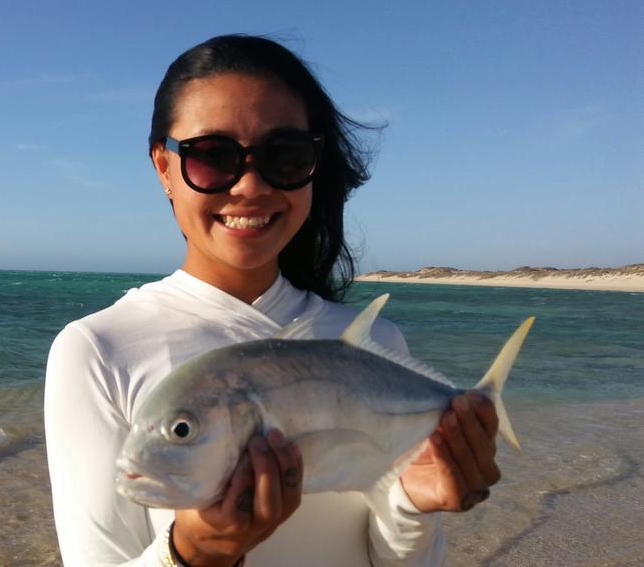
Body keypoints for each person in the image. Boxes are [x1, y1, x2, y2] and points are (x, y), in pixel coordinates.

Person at [44, 34, 501, 566]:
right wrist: (190, 554)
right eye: (213, 156)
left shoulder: (373, 342)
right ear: (164, 168)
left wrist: (412, 508)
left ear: (314, 165)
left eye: (284, 156)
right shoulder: (99, 350)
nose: (250, 186)